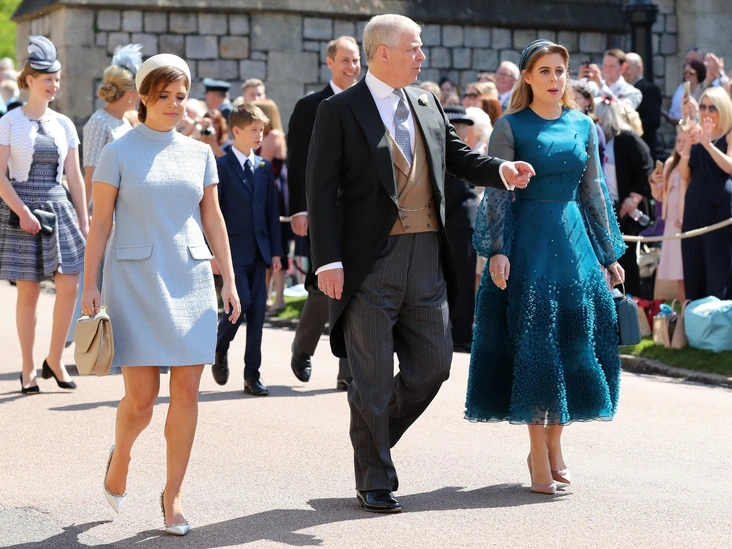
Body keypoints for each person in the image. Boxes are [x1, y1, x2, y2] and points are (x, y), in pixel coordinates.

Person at [307, 14, 535, 513]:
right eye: (414, 48)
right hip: (369, 264)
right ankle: (375, 478)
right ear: (382, 52)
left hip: (428, 256)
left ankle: (370, 438)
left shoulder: (427, 103)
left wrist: (501, 169)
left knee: (434, 367)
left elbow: (458, 157)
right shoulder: (338, 110)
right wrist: (327, 260)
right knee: (370, 378)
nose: (422, 56)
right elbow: (320, 191)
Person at [81, 54, 241, 535]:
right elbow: (100, 223)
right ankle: (122, 456)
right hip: (134, 282)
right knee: (142, 399)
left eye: (181, 96)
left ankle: (173, 496)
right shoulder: (118, 151)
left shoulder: (199, 153)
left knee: (187, 391)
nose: (174, 104)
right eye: (164, 96)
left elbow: (213, 218)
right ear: (144, 97)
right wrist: (90, 282)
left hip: (190, 280)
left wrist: (230, 280)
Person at [465, 39, 626, 496]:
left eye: (560, 71)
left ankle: (555, 445)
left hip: (575, 248)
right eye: (545, 71)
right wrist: (497, 249)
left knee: (575, 346)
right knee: (536, 350)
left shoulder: (583, 124)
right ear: (527, 78)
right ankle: (538, 453)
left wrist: (609, 253)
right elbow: (497, 194)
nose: (555, 79)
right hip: (527, 248)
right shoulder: (509, 126)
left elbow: (594, 191)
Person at [0, 36, 89, 393]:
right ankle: (27, 367)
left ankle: (54, 359)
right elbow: (0, 176)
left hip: (57, 205)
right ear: (29, 80)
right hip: (20, 206)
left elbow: (75, 177)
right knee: (29, 291)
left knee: (69, 284)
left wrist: (84, 220)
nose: (54, 85)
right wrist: (21, 211)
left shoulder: (65, 124)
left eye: (57, 79)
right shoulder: (9, 121)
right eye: (48, 79)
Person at [287, 35, 360, 389]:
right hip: (321, 211)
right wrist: (299, 210)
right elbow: (298, 162)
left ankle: (349, 371)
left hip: (359, 211)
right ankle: (303, 348)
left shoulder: (369, 103)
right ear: (330, 63)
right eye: (345, 60)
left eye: (356, 60)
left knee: (356, 287)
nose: (352, 67)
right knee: (323, 286)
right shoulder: (310, 106)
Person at [211, 103, 282, 395]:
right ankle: (220, 346)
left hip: (259, 252)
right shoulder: (221, 166)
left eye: (261, 130)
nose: (259, 135)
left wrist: (276, 252)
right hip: (231, 253)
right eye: (254, 130)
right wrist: (213, 254)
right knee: (240, 306)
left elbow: (271, 212)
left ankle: (252, 375)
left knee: (257, 315)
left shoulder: (263, 168)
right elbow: (212, 214)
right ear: (236, 131)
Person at [595, 96, 654, 297]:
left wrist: (633, 198)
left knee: (627, 261)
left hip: (626, 211)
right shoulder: (601, 140)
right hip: (608, 210)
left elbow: (646, 166)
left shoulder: (627, 138)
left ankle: (633, 302)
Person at [678, 87, 732, 300]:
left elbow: (729, 167)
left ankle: (719, 311)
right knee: (693, 261)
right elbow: (684, 174)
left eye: (712, 107)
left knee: (718, 262)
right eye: (703, 106)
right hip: (695, 205)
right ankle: (694, 312)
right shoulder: (696, 131)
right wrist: (687, 146)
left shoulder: (729, 133)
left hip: (719, 206)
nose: (707, 111)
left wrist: (708, 145)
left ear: (723, 109)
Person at [443, 106, 481, 353]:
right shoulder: (451, 152)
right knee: (457, 281)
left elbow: (453, 193)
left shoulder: (457, 155)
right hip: (456, 224)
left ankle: (460, 334)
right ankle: (457, 333)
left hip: (459, 224)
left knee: (462, 281)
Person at [649, 128, 688, 301]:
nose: (681, 145)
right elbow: (660, 195)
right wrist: (654, 180)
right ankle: (684, 308)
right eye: (679, 141)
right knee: (678, 273)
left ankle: (689, 308)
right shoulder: (671, 163)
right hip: (671, 224)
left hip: (685, 224)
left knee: (686, 270)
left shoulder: (693, 164)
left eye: (685, 142)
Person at [624, 52, 662, 160]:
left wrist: (629, 125)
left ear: (639, 68)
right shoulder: (622, 90)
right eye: (623, 68)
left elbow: (654, 120)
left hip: (642, 148)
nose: (624, 72)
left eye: (628, 68)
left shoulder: (649, 89)